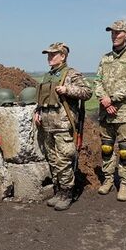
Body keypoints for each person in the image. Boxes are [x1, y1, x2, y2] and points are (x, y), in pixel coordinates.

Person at [34, 42, 93, 211]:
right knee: (52, 160)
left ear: (63, 56)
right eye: (48, 54)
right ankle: (58, 191)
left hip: (63, 125)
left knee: (63, 161)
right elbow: (42, 99)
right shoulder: (47, 76)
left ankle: (67, 193)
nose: (49, 57)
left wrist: (67, 89)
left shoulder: (71, 74)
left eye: (53, 54)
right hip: (47, 126)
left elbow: (87, 92)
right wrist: (38, 111)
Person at [94, 20, 126, 201]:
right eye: (112, 33)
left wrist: (112, 99)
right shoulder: (105, 58)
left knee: (124, 150)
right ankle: (108, 180)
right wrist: (104, 100)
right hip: (106, 112)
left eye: (118, 32)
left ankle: (124, 183)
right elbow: (97, 82)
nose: (114, 36)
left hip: (124, 113)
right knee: (106, 148)